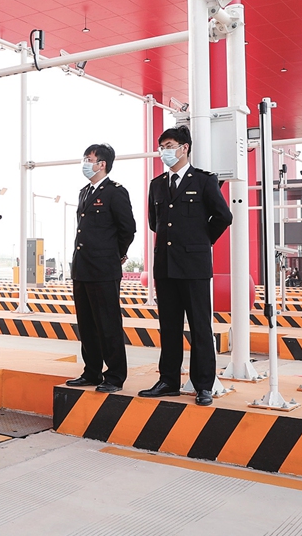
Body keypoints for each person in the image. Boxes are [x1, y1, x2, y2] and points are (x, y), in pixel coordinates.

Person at [138, 125, 232, 406]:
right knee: (169, 326)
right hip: (165, 267)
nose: (164, 151)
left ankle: (204, 385)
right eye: (162, 147)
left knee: (200, 326)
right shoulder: (157, 184)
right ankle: (168, 380)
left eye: (169, 145)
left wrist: (202, 242)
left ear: (185, 147)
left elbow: (223, 217)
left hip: (194, 266)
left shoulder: (204, 181)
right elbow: (154, 223)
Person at [65, 143, 136, 393]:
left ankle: (115, 376)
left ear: (102, 164)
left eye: (89, 159)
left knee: (108, 324)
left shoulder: (115, 192)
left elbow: (128, 228)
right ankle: (91, 372)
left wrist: (117, 254)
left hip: (104, 269)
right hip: (82, 269)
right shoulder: (84, 192)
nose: (86, 163)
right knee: (87, 324)